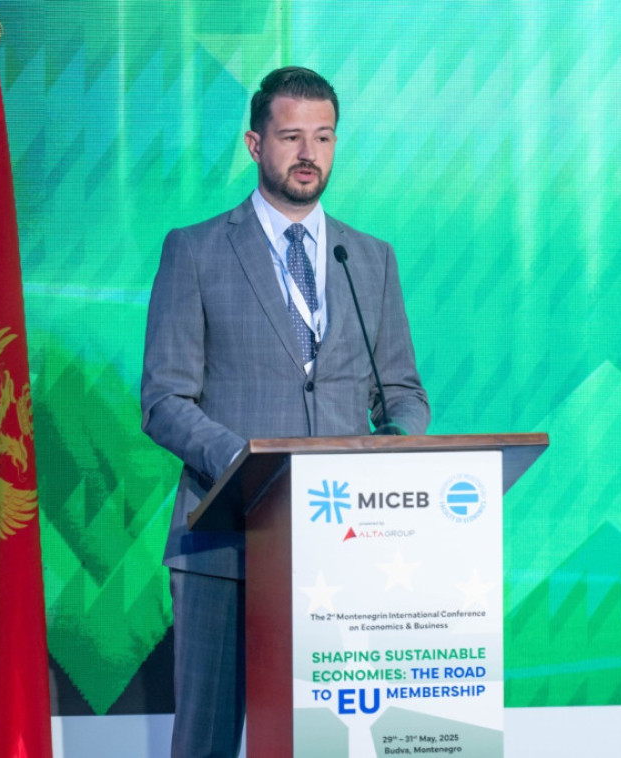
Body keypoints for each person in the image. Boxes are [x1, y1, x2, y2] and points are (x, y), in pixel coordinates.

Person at [140, 66, 430, 757]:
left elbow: (402, 394)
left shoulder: (369, 259)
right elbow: (164, 400)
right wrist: (248, 466)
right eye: (291, 136)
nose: (309, 153)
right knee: (207, 743)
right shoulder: (196, 250)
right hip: (225, 544)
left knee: (334, 741)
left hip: (347, 546)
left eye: (323, 137)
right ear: (254, 144)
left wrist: (391, 451)